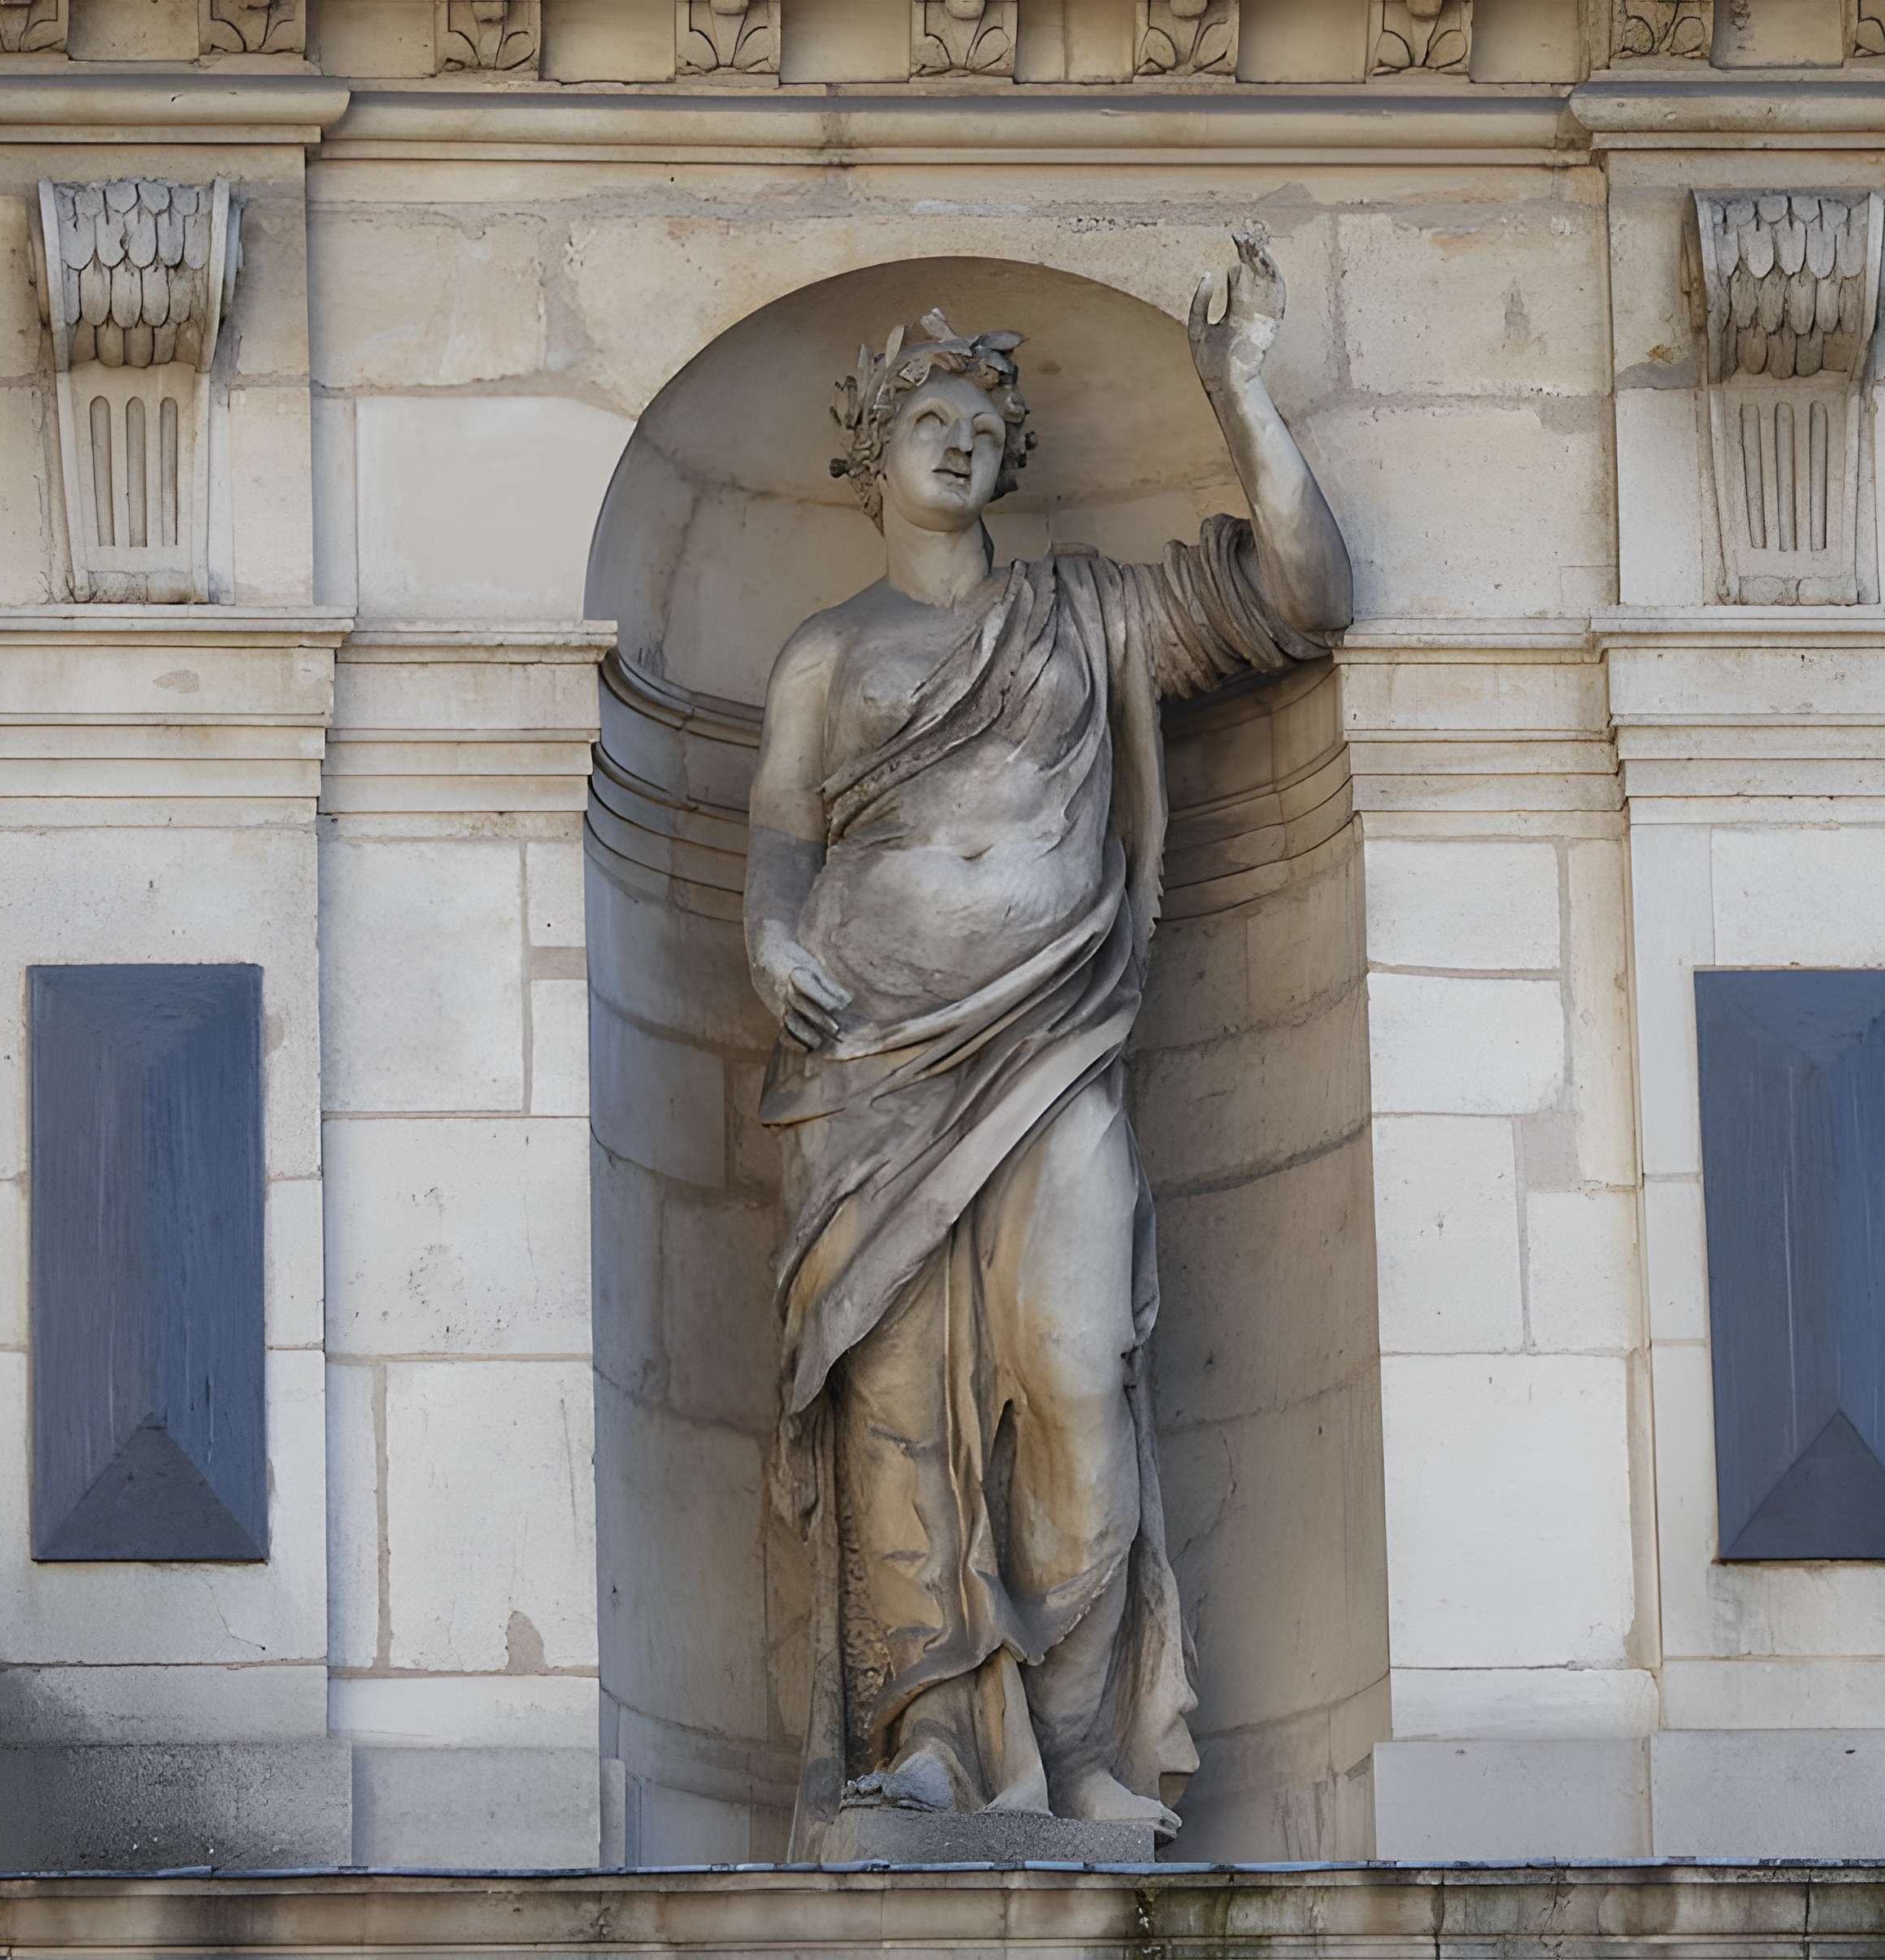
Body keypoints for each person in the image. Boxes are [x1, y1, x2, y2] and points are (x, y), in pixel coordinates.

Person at [743, 227, 1354, 1855]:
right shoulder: (829, 653)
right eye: (926, 418)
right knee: (893, 1405)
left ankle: (1078, 1747)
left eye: (979, 422)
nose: (956, 437)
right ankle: (930, 1739)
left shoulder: (1086, 620)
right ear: (873, 458)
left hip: (1052, 1048)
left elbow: (1300, 601)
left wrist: (1241, 402)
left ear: (1009, 458)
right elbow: (781, 839)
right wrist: (768, 935)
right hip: (868, 1066)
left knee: (1075, 1374)